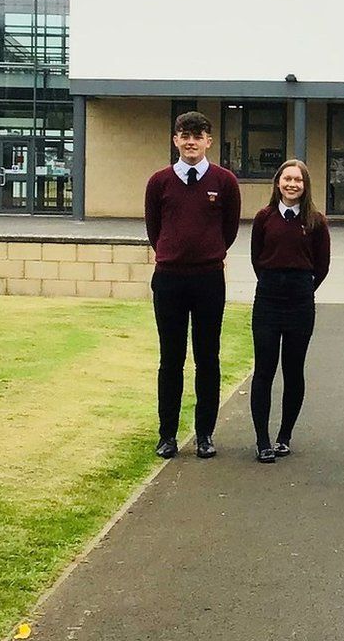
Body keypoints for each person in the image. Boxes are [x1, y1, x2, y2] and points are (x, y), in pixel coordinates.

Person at [143, 110, 241, 460]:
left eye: (198, 136)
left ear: (208, 141)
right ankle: (167, 435)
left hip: (208, 279)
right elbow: (154, 229)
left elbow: (228, 230)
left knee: (207, 358)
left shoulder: (225, 181)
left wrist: (207, 253)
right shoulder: (159, 182)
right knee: (171, 359)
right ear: (175, 140)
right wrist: (173, 253)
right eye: (185, 135)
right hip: (169, 279)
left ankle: (205, 434)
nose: (191, 142)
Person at [248, 159, 331, 463]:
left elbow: (321, 266)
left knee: (293, 370)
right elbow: (257, 257)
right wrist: (273, 282)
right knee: (264, 370)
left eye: (298, 180)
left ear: (305, 186)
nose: (292, 185)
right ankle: (262, 440)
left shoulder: (316, 222)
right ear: (278, 182)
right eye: (287, 179)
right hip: (268, 298)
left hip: (300, 300)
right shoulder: (264, 217)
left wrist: (303, 288)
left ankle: (284, 436)